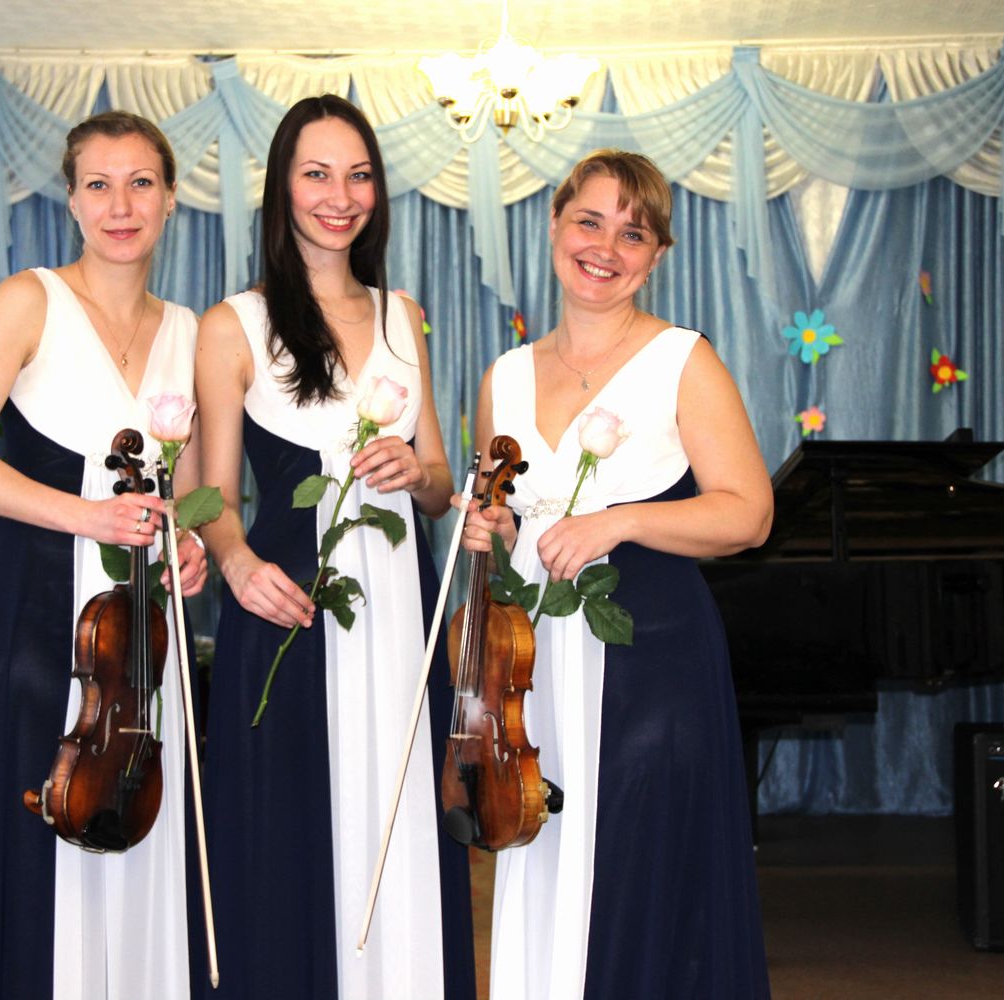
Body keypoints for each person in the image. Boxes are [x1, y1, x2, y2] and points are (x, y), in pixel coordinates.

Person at [459, 149, 775, 998]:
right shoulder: (504, 377)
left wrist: (620, 521)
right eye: (588, 222)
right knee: (545, 851)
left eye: (632, 234)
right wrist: (489, 528)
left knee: (645, 873)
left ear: (657, 254)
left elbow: (748, 514)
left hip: (652, 661)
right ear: (554, 227)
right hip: (529, 673)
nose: (605, 248)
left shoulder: (683, 360)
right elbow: (506, 519)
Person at [0, 110, 209, 1000]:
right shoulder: (28, 299)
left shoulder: (188, 329)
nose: (121, 205)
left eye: (141, 183)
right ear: (71, 200)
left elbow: (188, 492)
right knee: (29, 849)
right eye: (99, 185)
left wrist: (190, 542)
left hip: (139, 641)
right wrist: (87, 517)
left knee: (134, 831)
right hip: (27, 624)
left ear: (170, 199)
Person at [193, 94, 476, 999]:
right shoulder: (232, 324)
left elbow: (440, 484)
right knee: (288, 834)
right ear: (282, 187)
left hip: (400, 613)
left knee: (401, 814)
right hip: (286, 609)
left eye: (358, 176)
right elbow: (210, 495)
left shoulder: (403, 314)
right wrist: (236, 563)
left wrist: (417, 471)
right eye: (316, 174)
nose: (339, 196)